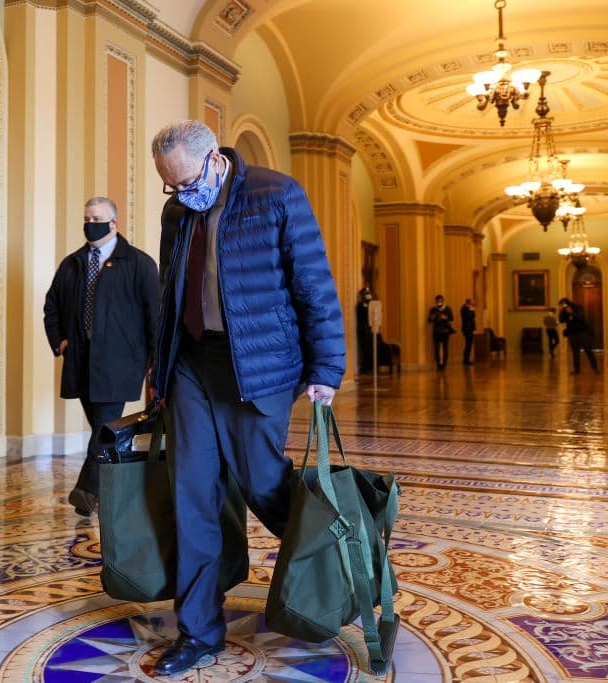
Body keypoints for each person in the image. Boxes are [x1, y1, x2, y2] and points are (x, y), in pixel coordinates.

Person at [149, 120, 345, 675]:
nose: (181, 195)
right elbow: (170, 294)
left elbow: (313, 283)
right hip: (191, 361)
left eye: (187, 182)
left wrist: (326, 367)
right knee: (192, 492)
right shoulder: (176, 212)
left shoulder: (276, 193)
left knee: (262, 480)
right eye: (170, 187)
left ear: (214, 160)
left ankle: (334, 563)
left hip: (258, 365)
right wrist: (158, 370)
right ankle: (199, 632)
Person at [43, 197, 159, 515]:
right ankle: (111, 492)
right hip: (80, 363)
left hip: (121, 364)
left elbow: (155, 316)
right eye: (86, 217)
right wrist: (61, 343)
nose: (90, 222)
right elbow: (51, 306)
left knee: (105, 426)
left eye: (96, 217)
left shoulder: (139, 263)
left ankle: (86, 489)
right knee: (103, 429)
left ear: (114, 223)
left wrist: (155, 363)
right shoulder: (72, 263)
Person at [558, 297, 599, 374]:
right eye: (562, 305)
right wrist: (561, 311)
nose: (564, 306)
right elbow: (561, 321)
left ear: (568, 303)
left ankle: (595, 368)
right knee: (575, 352)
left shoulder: (578, 308)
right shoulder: (563, 312)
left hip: (583, 332)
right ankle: (576, 370)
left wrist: (571, 312)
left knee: (588, 350)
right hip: (572, 333)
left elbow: (581, 317)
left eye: (564, 304)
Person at [427, 294, 455, 370]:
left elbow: (452, 318)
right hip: (436, 332)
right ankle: (438, 365)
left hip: (445, 332)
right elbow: (429, 320)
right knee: (436, 349)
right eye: (437, 302)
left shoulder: (447, 309)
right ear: (435, 302)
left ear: (443, 301)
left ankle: (444, 365)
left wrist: (445, 317)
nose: (439, 303)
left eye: (440, 301)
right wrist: (432, 317)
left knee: (445, 349)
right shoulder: (433, 309)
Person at [356, 286, 375, 373]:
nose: (368, 296)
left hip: (369, 328)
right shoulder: (360, 305)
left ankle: (370, 367)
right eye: (366, 294)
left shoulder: (371, 304)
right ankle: (365, 367)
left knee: (370, 348)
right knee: (365, 349)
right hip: (363, 328)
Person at [460, 299, 476, 365]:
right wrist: (472, 310)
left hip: (470, 329)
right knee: (468, 345)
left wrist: (472, 310)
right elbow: (469, 316)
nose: (472, 305)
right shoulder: (464, 309)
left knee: (469, 344)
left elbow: (473, 316)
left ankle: (466, 359)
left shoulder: (468, 308)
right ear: (468, 303)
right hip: (467, 329)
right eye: (471, 304)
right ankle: (466, 360)